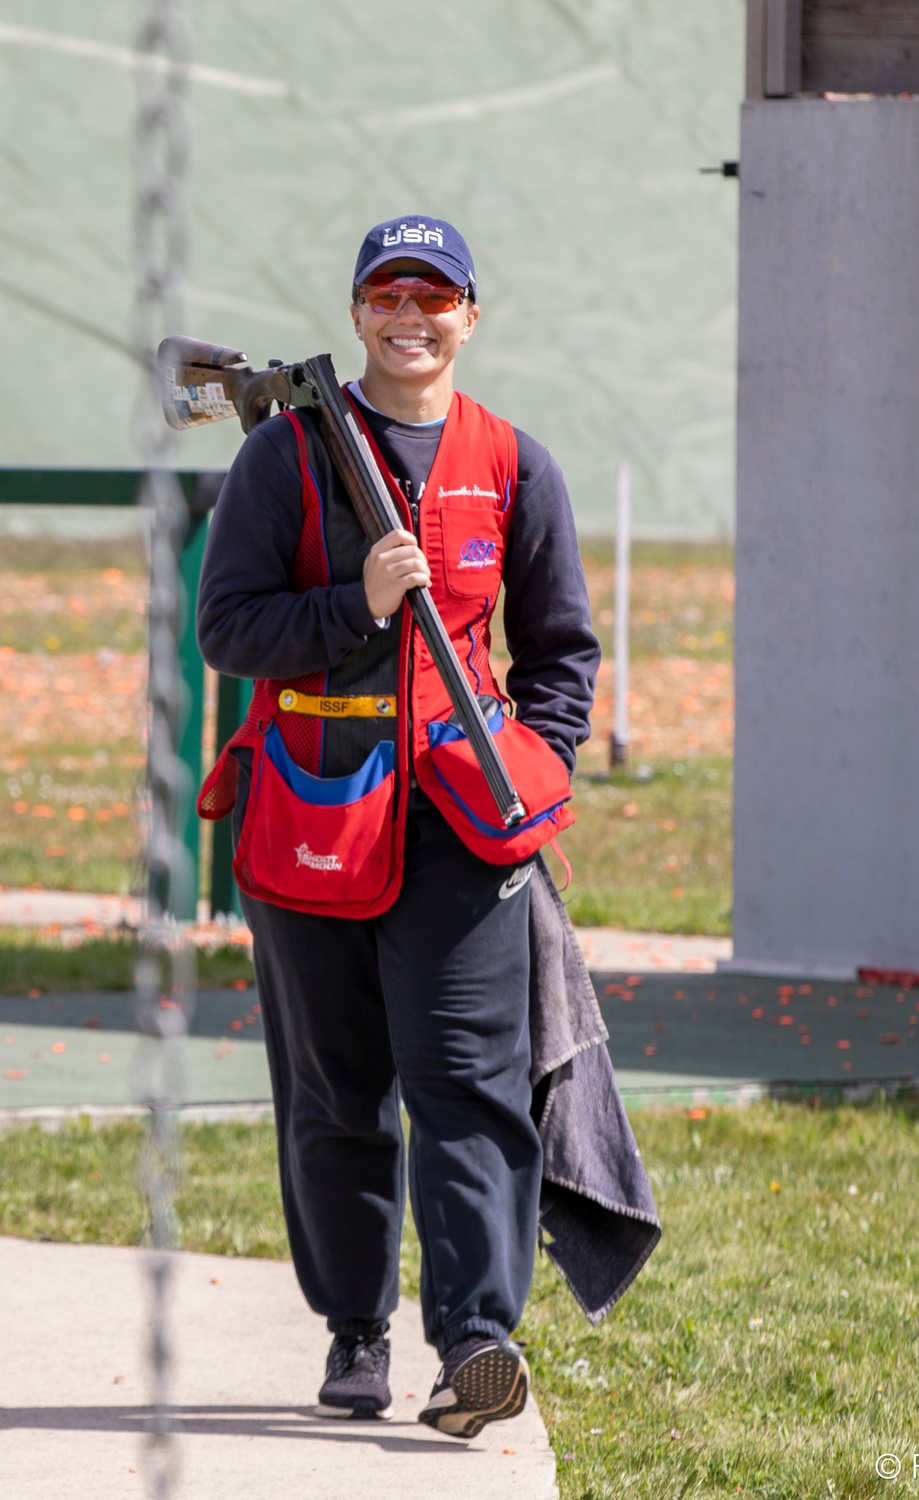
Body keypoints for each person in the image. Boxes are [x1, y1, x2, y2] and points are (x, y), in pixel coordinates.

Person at [196, 214, 600, 1439]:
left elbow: (560, 651)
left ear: (470, 316)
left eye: (435, 295)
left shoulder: (514, 463)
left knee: (470, 1082)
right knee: (335, 1091)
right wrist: (355, 604)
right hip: (315, 802)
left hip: (461, 825)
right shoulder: (286, 457)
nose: (409, 316)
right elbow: (229, 630)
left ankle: (474, 1341)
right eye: (386, 293)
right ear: (358, 310)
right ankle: (356, 1330)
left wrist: (533, 760)